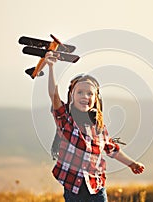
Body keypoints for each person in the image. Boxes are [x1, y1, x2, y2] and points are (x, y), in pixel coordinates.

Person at [44, 52, 145, 202]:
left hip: (96, 188)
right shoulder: (65, 119)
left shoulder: (98, 127)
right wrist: (51, 67)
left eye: (89, 94)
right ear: (72, 95)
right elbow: (54, 95)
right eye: (80, 92)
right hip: (73, 188)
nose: (85, 96)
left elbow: (113, 150)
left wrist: (132, 163)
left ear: (95, 99)